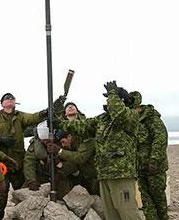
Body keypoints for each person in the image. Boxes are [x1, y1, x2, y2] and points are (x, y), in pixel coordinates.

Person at [61, 81, 144, 220]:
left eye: (112, 99)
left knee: (128, 212)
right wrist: (61, 124)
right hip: (104, 174)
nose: (109, 101)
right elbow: (83, 127)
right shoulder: (103, 119)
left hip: (121, 174)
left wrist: (113, 93)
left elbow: (119, 115)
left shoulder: (130, 116)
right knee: (111, 214)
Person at [0, 92, 56, 219]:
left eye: (12, 98)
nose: (10, 100)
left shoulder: (20, 116)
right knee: (0, 200)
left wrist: (44, 113)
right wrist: (0, 140)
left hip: (17, 164)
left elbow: (32, 118)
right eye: (7, 98)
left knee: (23, 196)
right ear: (2, 104)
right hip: (1, 165)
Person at [131, 91, 169, 220]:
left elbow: (160, 140)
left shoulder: (152, 118)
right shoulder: (132, 121)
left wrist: (154, 161)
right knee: (146, 201)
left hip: (155, 168)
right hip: (140, 169)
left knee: (159, 200)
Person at [23, 126, 75, 198]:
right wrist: (31, 180)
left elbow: (73, 162)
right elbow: (29, 163)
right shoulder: (36, 146)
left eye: (48, 141)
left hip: (60, 176)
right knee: (26, 194)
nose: (46, 143)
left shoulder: (63, 143)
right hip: (41, 176)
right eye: (44, 141)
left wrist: (62, 173)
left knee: (66, 197)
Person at [45, 128, 99, 195]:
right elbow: (74, 165)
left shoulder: (86, 140)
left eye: (63, 142)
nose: (63, 145)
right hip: (91, 179)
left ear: (69, 137)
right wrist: (60, 165)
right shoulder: (73, 146)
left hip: (102, 178)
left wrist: (59, 151)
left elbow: (80, 158)